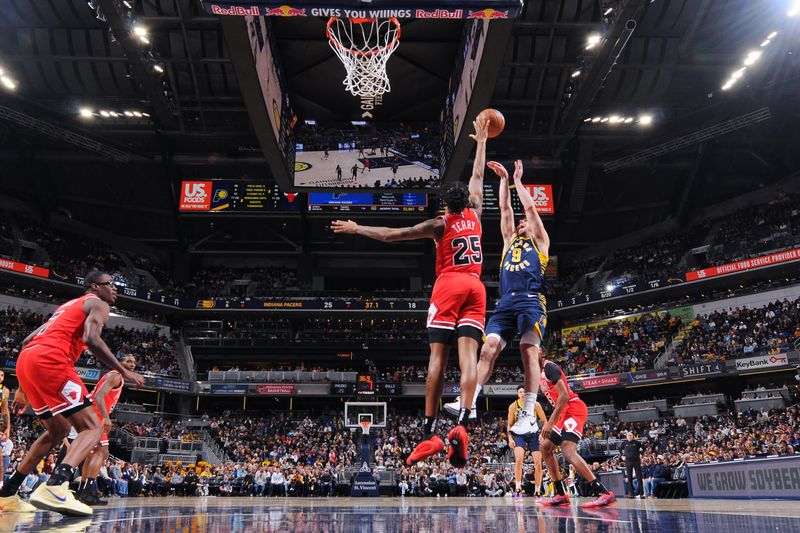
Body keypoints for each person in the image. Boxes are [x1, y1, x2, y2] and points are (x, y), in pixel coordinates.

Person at [332, 117, 489, 467]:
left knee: (438, 358)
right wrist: (481, 143)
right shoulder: (476, 214)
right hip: (477, 287)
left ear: (446, 206)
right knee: (468, 359)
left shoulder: (439, 224)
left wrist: (357, 227)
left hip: (450, 283)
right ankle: (463, 421)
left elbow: (392, 235)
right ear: (466, 202)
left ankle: (430, 430)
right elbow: (478, 178)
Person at [0, 271, 144, 516]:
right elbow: (91, 338)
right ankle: (56, 486)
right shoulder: (98, 303)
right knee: (93, 427)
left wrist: (22, 389)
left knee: (59, 430)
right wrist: (123, 371)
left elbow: (26, 341)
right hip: (51, 360)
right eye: (112, 284)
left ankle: (8, 494)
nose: (116, 289)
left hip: (28, 361)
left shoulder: (67, 307)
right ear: (95, 286)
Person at [445, 159, 549, 427]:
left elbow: (529, 208)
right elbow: (505, 209)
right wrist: (503, 181)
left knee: (528, 350)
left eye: (525, 222)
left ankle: (528, 414)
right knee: (488, 349)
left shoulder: (540, 243)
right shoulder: (508, 242)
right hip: (505, 303)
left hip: (531, 301)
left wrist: (517, 181)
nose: (522, 223)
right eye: (520, 222)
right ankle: (469, 402)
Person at [538, 349, 616, 508]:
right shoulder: (538, 373)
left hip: (573, 408)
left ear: (541, 353)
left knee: (568, 450)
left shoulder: (549, 367)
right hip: (563, 413)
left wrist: (550, 422)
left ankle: (604, 493)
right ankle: (560, 494)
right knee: (545, 448)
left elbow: (564, 395)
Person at [76, 355, 138, 505]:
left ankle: (83, 492)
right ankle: (86, 492)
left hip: (88, 412)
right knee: (102, 452)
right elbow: (98, 396)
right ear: (119, 362)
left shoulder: (115, 376)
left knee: (92, 455)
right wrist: (106, 417)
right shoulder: (116, 376)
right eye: (128, 361)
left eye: (134, 362)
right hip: (94, 415)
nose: (132, 364)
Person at [507, 386, 547, 499]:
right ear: (518, 394)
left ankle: (538, 490)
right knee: (519, 459)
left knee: (538, 463)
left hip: (534, 434)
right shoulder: (513, 406)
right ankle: (518, 488)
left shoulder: (536, 405)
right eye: (520, 391)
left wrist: (542, 434)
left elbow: (544, 421)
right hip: (519, 434)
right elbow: (509, 424)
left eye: (525, 391)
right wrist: (510, 438)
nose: (523, 393)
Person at [620, 431, 644, 498]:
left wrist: (641, 454)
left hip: (636, 461)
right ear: (626, 437)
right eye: (628, 436)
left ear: (633, 436)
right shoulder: (624, 443)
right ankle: (631, 493)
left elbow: (643, 448)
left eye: (631, 435)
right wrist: (622, 455)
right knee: (629, 477)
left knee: (639, 477)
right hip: (628, 461)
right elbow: (620, 449)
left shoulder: (636, 443)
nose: (630, 437)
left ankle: (642, 493)